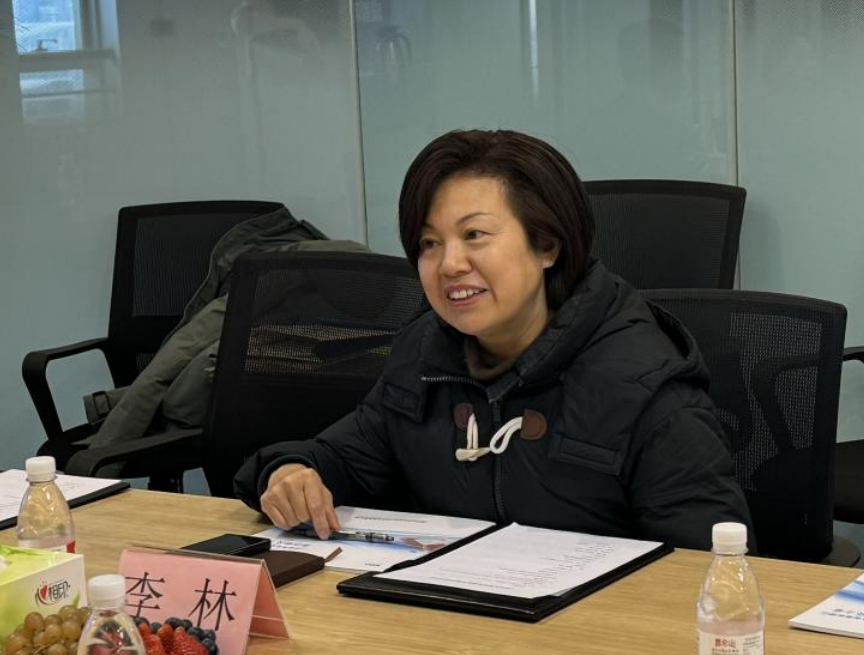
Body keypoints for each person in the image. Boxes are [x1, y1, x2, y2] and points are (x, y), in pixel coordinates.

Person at [234, 129, 754, 551]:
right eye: (429, 243)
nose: (450, 264)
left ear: (547, 245)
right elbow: (345, 456)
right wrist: (292, 472)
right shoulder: (424, 354)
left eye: (474, 235)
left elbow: (712, 569)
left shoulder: (642, 381)